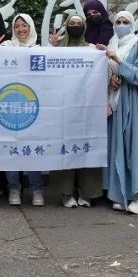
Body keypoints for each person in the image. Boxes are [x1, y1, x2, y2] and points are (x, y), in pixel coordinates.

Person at [99, 10, 138, 215]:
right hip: (117, 101)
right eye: (118, 22)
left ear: (132, 25)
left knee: (136, 145)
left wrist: (120, 62)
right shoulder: (112, 44)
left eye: (125, 22)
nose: (121, 25)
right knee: (118, 147)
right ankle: (120, 193)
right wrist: (111, 78)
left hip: (135, 102)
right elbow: (107, 70)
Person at [48, 13, 104, 208]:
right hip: (62, 108)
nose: (75, 26)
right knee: (65, 149)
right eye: (71, 23)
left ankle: (88, 192)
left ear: (85, 27)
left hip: (87, 108)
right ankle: (65, 193)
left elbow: (103, 73)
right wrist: (51, 48)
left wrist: (102, 54)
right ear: (66, 25)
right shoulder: (56, 48)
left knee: (88, 147)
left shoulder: (92, 49)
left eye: (79, 23)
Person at [0, 13, 45, 206]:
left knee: (31, 148)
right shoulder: (6, 47)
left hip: (30, 105)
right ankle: (14, 188)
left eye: (24, 25)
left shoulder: (39, 50)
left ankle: (36, 189)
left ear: (31, 27)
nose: (21, 29)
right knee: (11, 148)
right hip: (9, 105)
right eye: (17, 26)